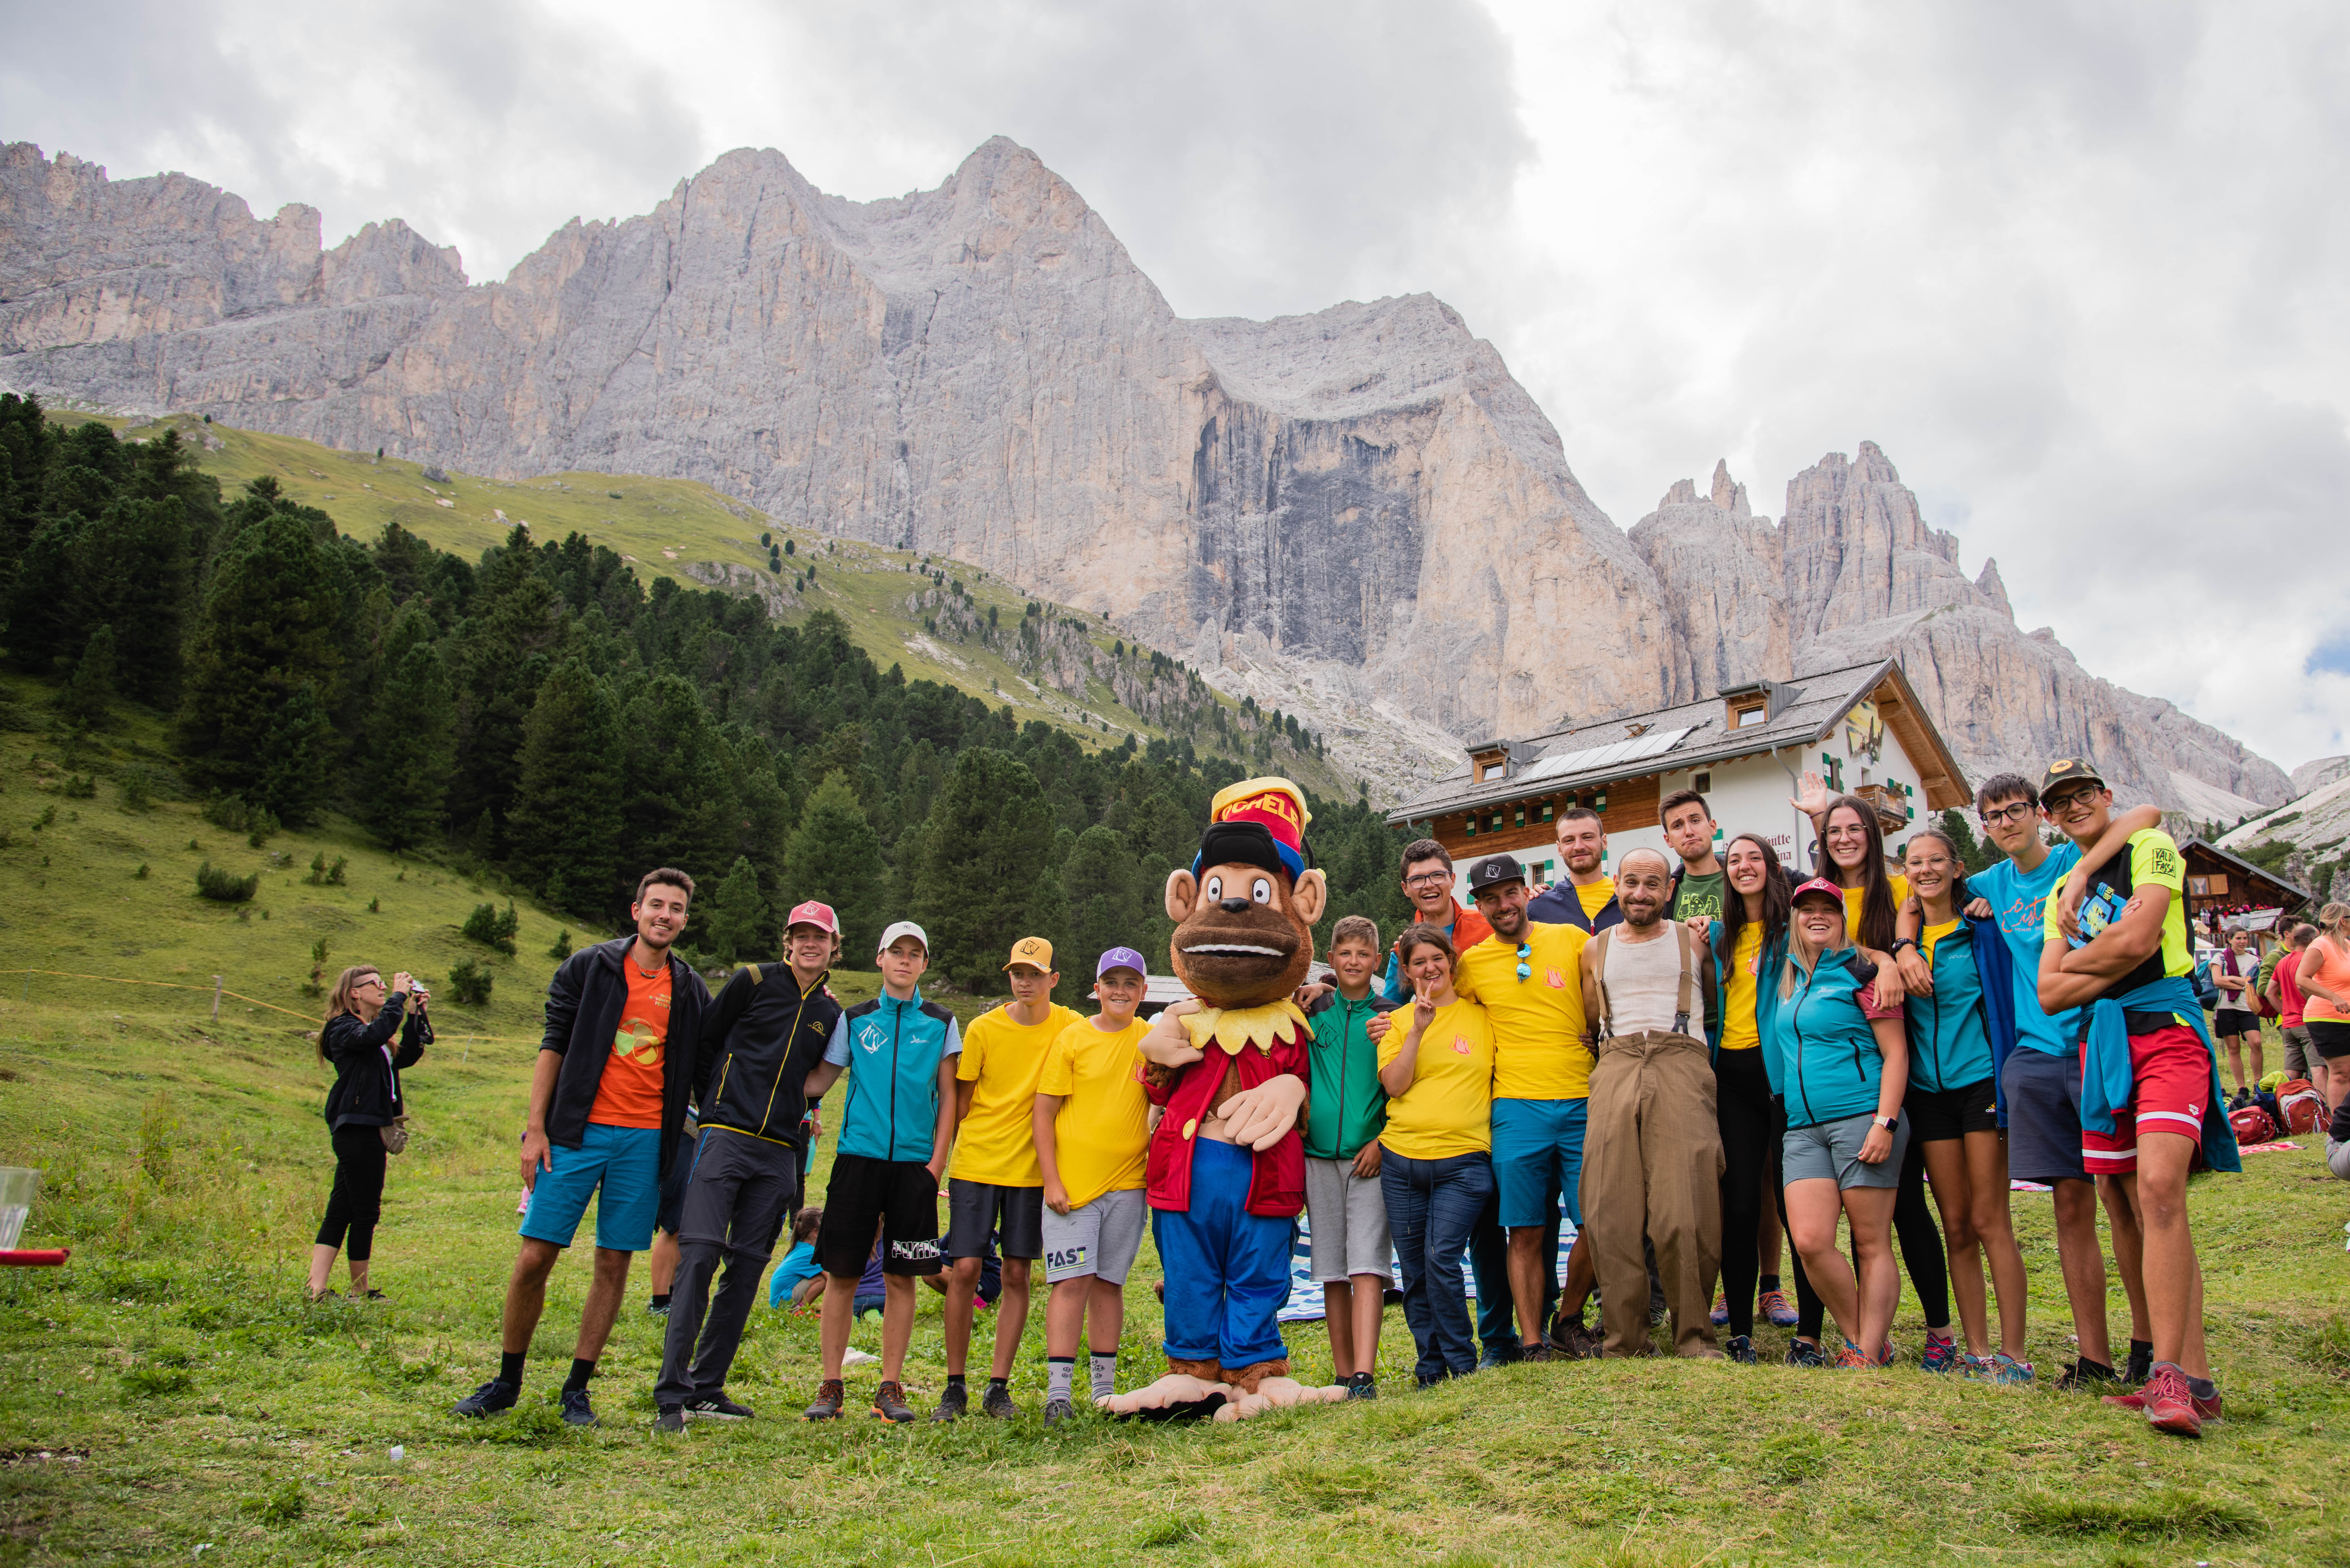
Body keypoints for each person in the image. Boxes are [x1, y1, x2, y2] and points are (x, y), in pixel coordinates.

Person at [1910, 773, 2160, 1390]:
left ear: (2038, 814)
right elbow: (1915, 891)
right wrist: (1899, 940)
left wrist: (2078, 875)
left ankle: (2148, 1341)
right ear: (1984, 827)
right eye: (1993, 815)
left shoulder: (2077, 856)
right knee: (2068, 1206)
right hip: (2031, 1057)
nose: (2006, 822)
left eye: (2016, 809)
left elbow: (2145, 815)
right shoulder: (1989, 884)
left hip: (2096, 1043)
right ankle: (2094, 1356)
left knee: (2123, 1200)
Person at [455, 869, 710, 1426]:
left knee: (613, 1262)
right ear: (636, 910)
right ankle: (507, 1379)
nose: (665, 915)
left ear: (685, 920)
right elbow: (553, 1046)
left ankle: (577, 1388)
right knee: (534, 1257)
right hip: (575, 1133)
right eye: (657, 905)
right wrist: (537, 1129)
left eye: (676, 909)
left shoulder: (690, 988)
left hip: (645, 1142)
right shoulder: (589, 968)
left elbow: (713, 1058)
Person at [2037, 758, 2242, 1437]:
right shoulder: (2057, 893)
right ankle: (2195, 1378)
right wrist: (2105, 954)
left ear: (2103, 795)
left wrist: (2084, 959)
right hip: (2104, 1045)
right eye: (2057, 802)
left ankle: (2169, 1376)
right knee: (2120, 1200)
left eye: (2080, 796)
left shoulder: (2148, 847)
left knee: (2158, 1189)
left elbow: (2140, 936)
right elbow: (2047, 991)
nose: (2070, 808)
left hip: (2167, 1029)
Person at [653, 902, 843, 1431]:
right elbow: (704, 1044)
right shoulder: (752, 981)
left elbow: (816, 1078)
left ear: (834, 945)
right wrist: (712, 1106)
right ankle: (672, 1393)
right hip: (725, 1138)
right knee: (699, 1256)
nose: (810, 944)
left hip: (780, 1151)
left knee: (747, 1267)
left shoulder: (830, 1012)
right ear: (788, 940)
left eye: (819, 936)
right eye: (801, 935)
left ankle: (707, 1386)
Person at [1790, 776, 1957, 1369]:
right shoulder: (1818, 897)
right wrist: (1882, 957)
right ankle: (1830, 1333)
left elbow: (1931, 912)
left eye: (1853, 829)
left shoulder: (1896, 890)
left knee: (1904, 1207)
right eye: (1832, 832)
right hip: (1839, 1065)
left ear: (1873, 835)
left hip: (1893, 1058)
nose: (1842, 839)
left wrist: (1896, 952)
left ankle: (1937, 1327)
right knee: (1825, 1223)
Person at [799, 920, 961, 1422]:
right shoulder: (857, 1018)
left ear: (925, 964)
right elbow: (820, 1079)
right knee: (841, 1272)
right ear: (880, 958)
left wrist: (936, 1165)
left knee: (902, 1277)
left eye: (915, 954)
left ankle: (890, 1388)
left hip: (914, 1167)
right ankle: (831, 1384)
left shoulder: (941, 1021)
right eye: (897, 951)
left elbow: (950, 1098)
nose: (905, 960)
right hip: (858, 1162)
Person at [1898, 828, 2033, 1384]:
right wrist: (1903, 946)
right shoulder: (1899, 939)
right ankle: (1975, 1350)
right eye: (1915, 863)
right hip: (1928, 1092)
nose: (1926, 870)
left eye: (1936, 861)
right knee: (1955, 1223)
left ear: (1957, 868)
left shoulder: (1983, 928)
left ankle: (2015, 1354)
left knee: (1988, 1217)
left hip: (1980, 1083)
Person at [1578, 847, 1722, 1357]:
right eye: (1632, 882)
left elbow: (1714, 999)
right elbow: (1591, 1017)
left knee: (1686, 1206)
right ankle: (1625, 1338)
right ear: (1617, 884)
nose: (1641, 893)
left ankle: (1695, 1336)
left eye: (1653, 884)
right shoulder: (1594, 949)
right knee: (1608, 1209)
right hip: (1615, 1061)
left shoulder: (1695, 941)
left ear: (1669, 892)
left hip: (1681, 1059)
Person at [1451, 853, 1590, 1361]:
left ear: (1527, 893)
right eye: (1491, 898)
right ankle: (1531, 1341)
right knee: (1524, 1228)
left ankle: (1568, 1317)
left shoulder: (1573, 940)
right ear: (1480, 905)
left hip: (1582, 1098)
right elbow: (1440, 1007)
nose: (1503, 904)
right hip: (1514, 1107)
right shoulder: (1472, 964)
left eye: (1511, 892)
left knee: (1597, 1221)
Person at [939, 936, 1084, 1420]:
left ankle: (997, 1386)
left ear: (1054, 980)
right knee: (964, 1270)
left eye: (1035, 974)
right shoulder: (982, 1029)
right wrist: (942, 1162)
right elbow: (960, 1100)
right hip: (978, 1162)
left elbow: (1113, 1037)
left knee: (1019, 1273)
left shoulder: (1070, 1026)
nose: (1025, 982)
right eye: (1018, 973)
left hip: (1031, 1170)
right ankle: (954, 1385)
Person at [1773, 877, 1910, 1368]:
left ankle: (1865, 1352)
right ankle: (1862, 1339)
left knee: (1871, 1240)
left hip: (1861, 1117)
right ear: (1794, 918)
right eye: (1806, 908)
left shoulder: (1865, 971)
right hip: (1803, 1127)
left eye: (1826, 909)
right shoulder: (1789, 977)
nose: (1816, 916)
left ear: (1841, 916)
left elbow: (1896, 1054)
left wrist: (1886, 1122)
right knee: (1810, 1241)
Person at [1033, 948, 1154, 1426]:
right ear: (1096, 988)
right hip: (1074, 1190)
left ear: (1144, 992)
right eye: (1112, 981)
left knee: (1110, 1284)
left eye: (1130, 983)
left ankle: (1105, 1391)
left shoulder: (1150, 1037)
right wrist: (1052, 1179)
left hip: (1129, 1186)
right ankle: (1058, 1394)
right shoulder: (1073, 1038)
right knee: (1071, 1284)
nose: (1121, 991)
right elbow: (1043, 1111)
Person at [1375, 924, 1497, 1386]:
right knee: (1413, 1268)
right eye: (1419, 963)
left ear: (1451, 960)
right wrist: (1417, 1031)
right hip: (1403, 1161)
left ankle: (1462, 1360)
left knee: (1441, 1258)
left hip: (1464, 1163)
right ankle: (1430, 1364)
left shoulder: (1482, 1017)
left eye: (1437, 958)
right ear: (1406, 972)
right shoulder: (1398, 1022)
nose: (1430, 969)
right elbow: (1395, 1085)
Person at [1703, 834, 1800, 1363]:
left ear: (1772, 867)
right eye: (1734, 860)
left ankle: (1808, 1331)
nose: (1743, 867)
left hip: (1782, 1072)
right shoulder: (1719, 934)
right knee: (1739, 1202)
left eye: (1753, 858)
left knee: (1792, 1202)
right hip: (1732, 1075)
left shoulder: (1793, 928)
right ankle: (1740, 1328)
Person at [1301, 916, 1390, 1398]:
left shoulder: (1387, 1016)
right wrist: (1315, 987)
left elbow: (1405, 1088)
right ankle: (1341, 1372)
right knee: (1331, 1267)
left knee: (1367, 1264)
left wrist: (1383, 1141)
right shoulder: (1315, 1013)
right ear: (1332, 960)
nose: (1354, 960)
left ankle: (1364, 1373)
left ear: (1376, 962)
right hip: (1318, 1158)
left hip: (1368, 1159)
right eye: (1345, 952)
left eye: (1363, 953)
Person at [310, 964, 430, 1301]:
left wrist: (414, 1013)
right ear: (354, 992)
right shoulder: (343, 1027)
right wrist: (396, 996)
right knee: (366, 1209)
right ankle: (360, 1292)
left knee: (343, 1207)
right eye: (376, 984)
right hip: (357, 1125)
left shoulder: (374, 1033)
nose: (382, 986)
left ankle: (315, 1288)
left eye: (384, 983)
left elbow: (405, 1056)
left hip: (369, 1123)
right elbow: (373, 1036)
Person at [1374, 839, 1494, 1005]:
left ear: (1452, 880)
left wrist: (1539, 898)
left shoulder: (1489, 927)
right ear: (1405, 889)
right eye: (1417, 879)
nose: (1429, 885)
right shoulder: (1403, 951)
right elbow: (1390, 1012)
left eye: (1437, 875)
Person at [2290, 904, 2350, 1156]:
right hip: (2327, 1018)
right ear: (2341, 920)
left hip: (2346, 1017)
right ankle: (2340, 1133)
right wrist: (2332, 997)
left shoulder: (2346, 945)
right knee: (2341, 1073)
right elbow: (2302, 978)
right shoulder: (2321, 945)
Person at [1527, 807, 1623, 932]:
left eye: (1587, 837)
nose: (1578, 847)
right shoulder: (1538, 907)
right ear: (1560, 849)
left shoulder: (1630, 900)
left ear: (1604, 842)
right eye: (1569, 840)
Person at [1662, 787, 1727, 923]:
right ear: (1668, 840)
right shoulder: (1663, 896)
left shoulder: (1743, 880)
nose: (1689, 832)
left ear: (1713, 827)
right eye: (1678, 826)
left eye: (1695, 821)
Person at [2211, 928, 2263, 1098]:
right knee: (2234, 1048)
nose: (2242, 941)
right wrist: (2243, 985)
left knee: (2256, 1042)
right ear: (2229, 940)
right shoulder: (2220, 958)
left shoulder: (2254, 960)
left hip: (2247, 1007)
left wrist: (2232, 979)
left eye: (2245, 938)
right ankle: (2242, 1087)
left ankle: (2258, 1082)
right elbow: (2218, 980)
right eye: (2238, 938)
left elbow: (2255, 983)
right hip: (2226, 1007)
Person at [2267, 924, 2317, 1086]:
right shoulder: (2308, 961)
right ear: (2313, 940)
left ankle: (2285, 1104)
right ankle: (2325, 1108)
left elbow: (2269, 992)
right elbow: (2304, 987)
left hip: (2289, 1025)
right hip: (2306, 1022)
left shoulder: (2283, 962)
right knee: (2319, 1069)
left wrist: (2286, 1013)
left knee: (2291, 1072)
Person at [767, 1208, 826, 1309]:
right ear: (815, 1233)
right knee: (821, 1280)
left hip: (779, 1299)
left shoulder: (801, 1246)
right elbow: (832, 1278)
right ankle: (799, 1310)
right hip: (782, 1302)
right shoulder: (810, 1253)